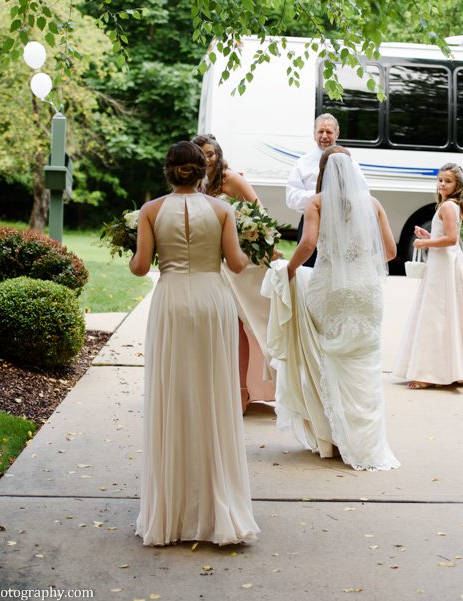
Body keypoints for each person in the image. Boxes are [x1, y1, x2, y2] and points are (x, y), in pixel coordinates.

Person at [131, 141, 259, 546]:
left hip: (171, 302)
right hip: (211, 301)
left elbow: (140, 267)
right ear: (203, 171)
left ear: (168, 171)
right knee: (212, 392)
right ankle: (216, 507)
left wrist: (132, 248)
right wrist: (248, 244)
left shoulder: (150, 211)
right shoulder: (222, 210)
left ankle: (172, 514)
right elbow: (236, 263)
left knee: (173, 392)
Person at [264, 145, 400, 471]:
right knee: (365, 365)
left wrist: (290, 270)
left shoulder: (317, 202)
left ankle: (332, 438)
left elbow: (308, 243)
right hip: (365, 291)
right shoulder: (373, 204)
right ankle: (367, 445)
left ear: (322, 172)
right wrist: (360, 263)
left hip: (329, 291)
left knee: (326, 360)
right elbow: (391, 252)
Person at [393, 163, 463, 389]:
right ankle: (450, 369)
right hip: (444, 263)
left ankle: (429, 373)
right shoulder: (447, 205)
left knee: (437, 315)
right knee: (448, 314)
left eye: (448, 181)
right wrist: (429, 236)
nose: (442, 184)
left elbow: (452, 239)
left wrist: (424, 243)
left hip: (444, 267)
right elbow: (446, 236)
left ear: (457, 185)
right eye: (440, 180)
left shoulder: (448, 207)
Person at [192, 134, 275, 410]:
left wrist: (259, 244)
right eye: (201, 154)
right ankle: (214, 389)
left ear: (218, 154)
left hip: (239, 265)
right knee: (216, 325)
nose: (206, 159)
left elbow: (260, 214)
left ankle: (242, 391)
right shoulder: (194, 184)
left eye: (210, 153)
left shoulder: (230, 180)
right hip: (209, 263)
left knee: (242, 324)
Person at [285, 113, 340, 268]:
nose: (324, 136)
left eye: (329, 132)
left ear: (337, 134)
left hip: (340, 226)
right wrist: (320, 197)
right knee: (306, 272)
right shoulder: (302, 163)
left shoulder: (350, 163)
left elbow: (361, 192)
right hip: (310, 224)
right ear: (314, 134)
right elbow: (291, 198)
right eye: (320, 131)